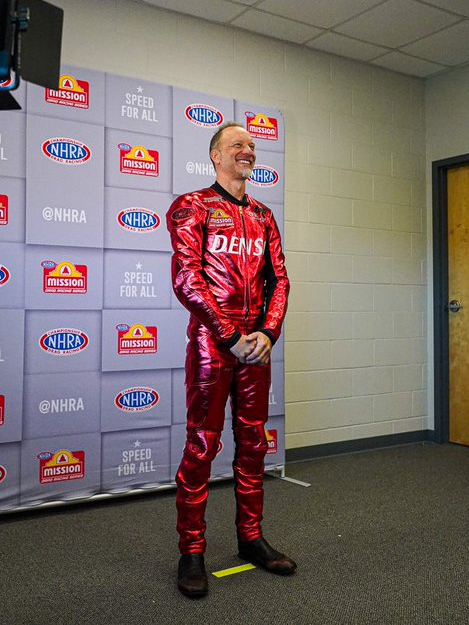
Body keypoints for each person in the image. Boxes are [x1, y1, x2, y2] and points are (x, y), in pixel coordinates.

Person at [166, 122, 293, 599]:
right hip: (212, 344)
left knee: (253, 445)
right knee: (202, 446)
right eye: (237, 144)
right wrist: (230, 334)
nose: (248, 150)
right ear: (216, 157)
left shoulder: (263, 215)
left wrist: (267, 332)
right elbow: (187, 278)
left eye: (252, 146)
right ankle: (192, 551)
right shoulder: (191, 206)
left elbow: (279, 280)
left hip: (255, 348)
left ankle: (251, 539)